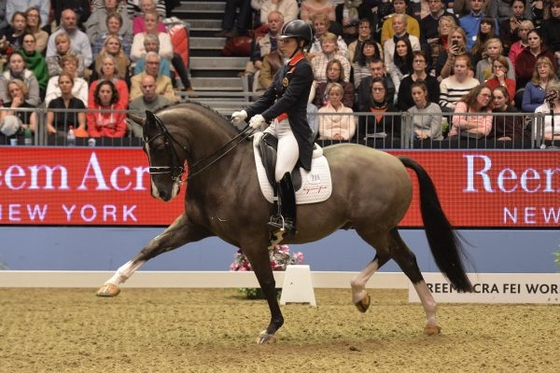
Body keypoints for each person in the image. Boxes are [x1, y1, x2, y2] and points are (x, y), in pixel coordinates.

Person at [230, 19, 314, 236]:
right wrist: (247, 112)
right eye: (282, 40)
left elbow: (288, 100)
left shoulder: (303, 68)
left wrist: (263, 117)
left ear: (301, 42)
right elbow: (269, 96)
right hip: (276, 125)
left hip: (293, 130)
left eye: (288, 41)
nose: (282, 44)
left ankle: (289, 219)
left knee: (280, 171)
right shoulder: (286, 66)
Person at [358, 76, 401, 142]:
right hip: (369, 145)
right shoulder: (364, 110)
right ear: (371, 91)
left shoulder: (394, 110)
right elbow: (360, 133)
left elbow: (398, 133)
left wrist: (388, 136)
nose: (377, 92)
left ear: (385, 90)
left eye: (380, 89)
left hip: (388, 145)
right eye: (374, 89)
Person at [46, 72, 87, 136]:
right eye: (61, 83)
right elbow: (48, 124)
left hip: (75, 136)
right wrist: (57, 133)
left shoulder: (79, 103)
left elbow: (82, 125)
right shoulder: (53, 103)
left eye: (67, 82)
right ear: (59, 85)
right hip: (56, 137)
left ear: (72, 84)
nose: (64, 85)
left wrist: (73, 134)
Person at [20, 32, 47, 99]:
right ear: (22, 44)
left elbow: (45, 79)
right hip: (18, 91)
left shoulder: (41, 60)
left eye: (32, 41)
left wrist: (34, 88)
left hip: (38, 92)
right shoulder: (17, 58)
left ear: (35, 44)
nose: (29, 44)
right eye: (26, 42)